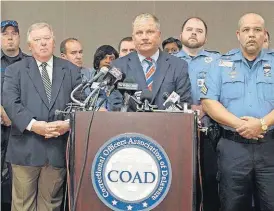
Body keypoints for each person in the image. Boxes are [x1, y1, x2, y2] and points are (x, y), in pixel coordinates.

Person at [3, 22, 82, 211]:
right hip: (25, 148)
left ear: (54, 42)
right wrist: (33, 124)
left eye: (47, 38)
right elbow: (10, 103)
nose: (43, 43)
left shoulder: (71, 70)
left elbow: (81, 103)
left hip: (57, 148)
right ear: (29, 45)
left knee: (51, 206)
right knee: (23, 205)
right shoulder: (15, 71)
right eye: (37, 40)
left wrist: (68, 124)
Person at [201, 13, 274, 211]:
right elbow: (209, 102)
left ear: (264, 34)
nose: (252, 35)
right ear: (238, 34)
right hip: (233, 148)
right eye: (246, 30)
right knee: (232, 205)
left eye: (257, 30)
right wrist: (241, 125)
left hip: (270, 147)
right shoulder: (220, 65)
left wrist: (261, 124)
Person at [175, 17, 220, 211]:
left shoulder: (218, 61)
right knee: (178, 181)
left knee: (209, 181)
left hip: (209, 131)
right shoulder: (169, 61)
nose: (194, 33)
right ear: (181, 35)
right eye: (189, 29)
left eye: (199, 30)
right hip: (176, 133)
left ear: (206, 38)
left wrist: (208, 108)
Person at [108, 13, 192, 110]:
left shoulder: (178, 66)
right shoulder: (118, 66)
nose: (144, 37)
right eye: (139, 33)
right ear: (133, 37)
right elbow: (116, 105)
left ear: (159, 35)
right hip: (130, 124)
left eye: (150, 32)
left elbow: (184, 103)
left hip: (167, 124)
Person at [1, 19, 29, 210]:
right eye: (5, 34)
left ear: (20, 37)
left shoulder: (30, 63)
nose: (10, 37)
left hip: (20, 128)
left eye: (14, 33)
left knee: (19, 180)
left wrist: (15, 113)